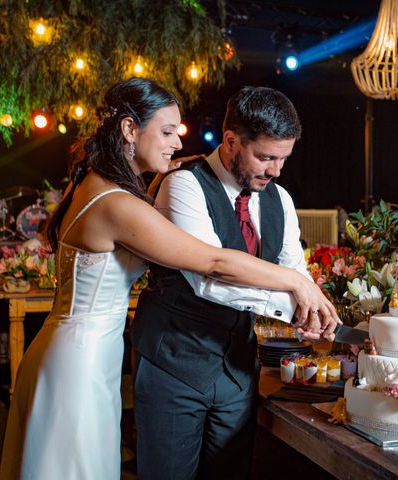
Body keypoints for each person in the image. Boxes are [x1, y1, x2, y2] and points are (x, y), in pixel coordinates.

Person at [0, 78, 338, 480]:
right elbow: (211, 264)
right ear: (129, 129)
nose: (177, 143)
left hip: (93, 352)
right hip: (93, 358)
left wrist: (301, 289)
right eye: (166, 132)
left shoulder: (110, 188)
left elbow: (283, 260)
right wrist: (296, 286)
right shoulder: (120, 202)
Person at [131, 86, 330, 480]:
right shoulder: (183, 185)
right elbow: (211, 278)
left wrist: (314, 305)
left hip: (238, 368)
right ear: (231, 141)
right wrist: (291, 298)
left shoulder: (281, 199)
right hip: (175, 363)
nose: (275, 170)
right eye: (266, 157)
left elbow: (294, 265)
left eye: (283, 159)